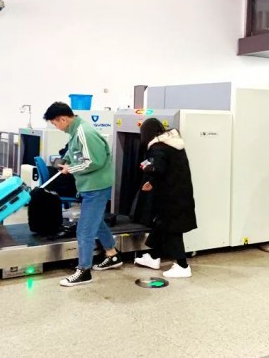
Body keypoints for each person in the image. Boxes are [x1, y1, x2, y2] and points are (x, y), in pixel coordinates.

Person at [43, 102, 120, 287]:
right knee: (96, 222)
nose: (56, 127)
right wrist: (64, 161)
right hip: (90, 185)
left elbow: (94, 161)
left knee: (84, 230)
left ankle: (84, 271)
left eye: (55, 123)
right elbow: (75, 153)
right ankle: (112, 255)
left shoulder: (84, 132)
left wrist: (70, 169)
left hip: (96, 187)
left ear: (63, 119)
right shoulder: (75, 132)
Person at [134, 118, 197, 278]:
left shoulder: (157, 147)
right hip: (179, 192)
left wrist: (145, 167)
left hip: (171, 197)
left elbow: (158, 169)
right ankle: (154, 257)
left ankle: (183, 266)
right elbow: (170, 170)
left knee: (172, 230)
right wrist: (152, 183)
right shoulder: (174, 145)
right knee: (162, 224)